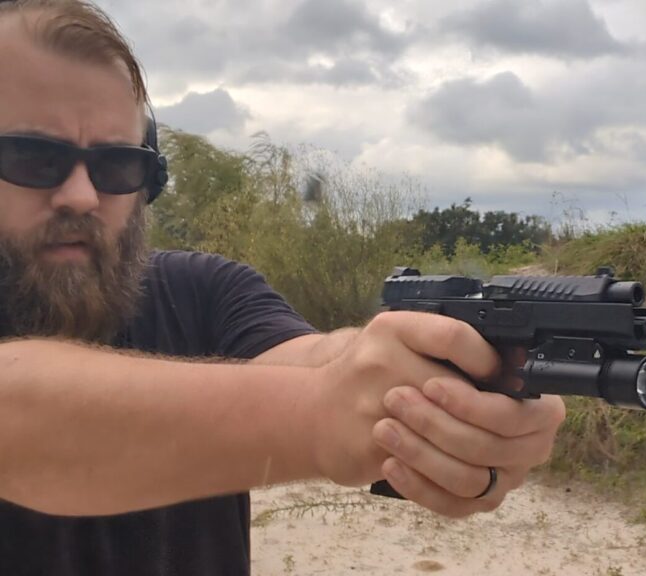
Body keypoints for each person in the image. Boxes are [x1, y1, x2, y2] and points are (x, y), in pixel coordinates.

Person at [0, 1, 566, 574]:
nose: (82, 195)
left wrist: (444, 378)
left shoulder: (205, 290)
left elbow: (323, 362)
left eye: (116, 165)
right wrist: (323, 414)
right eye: (32, 157)